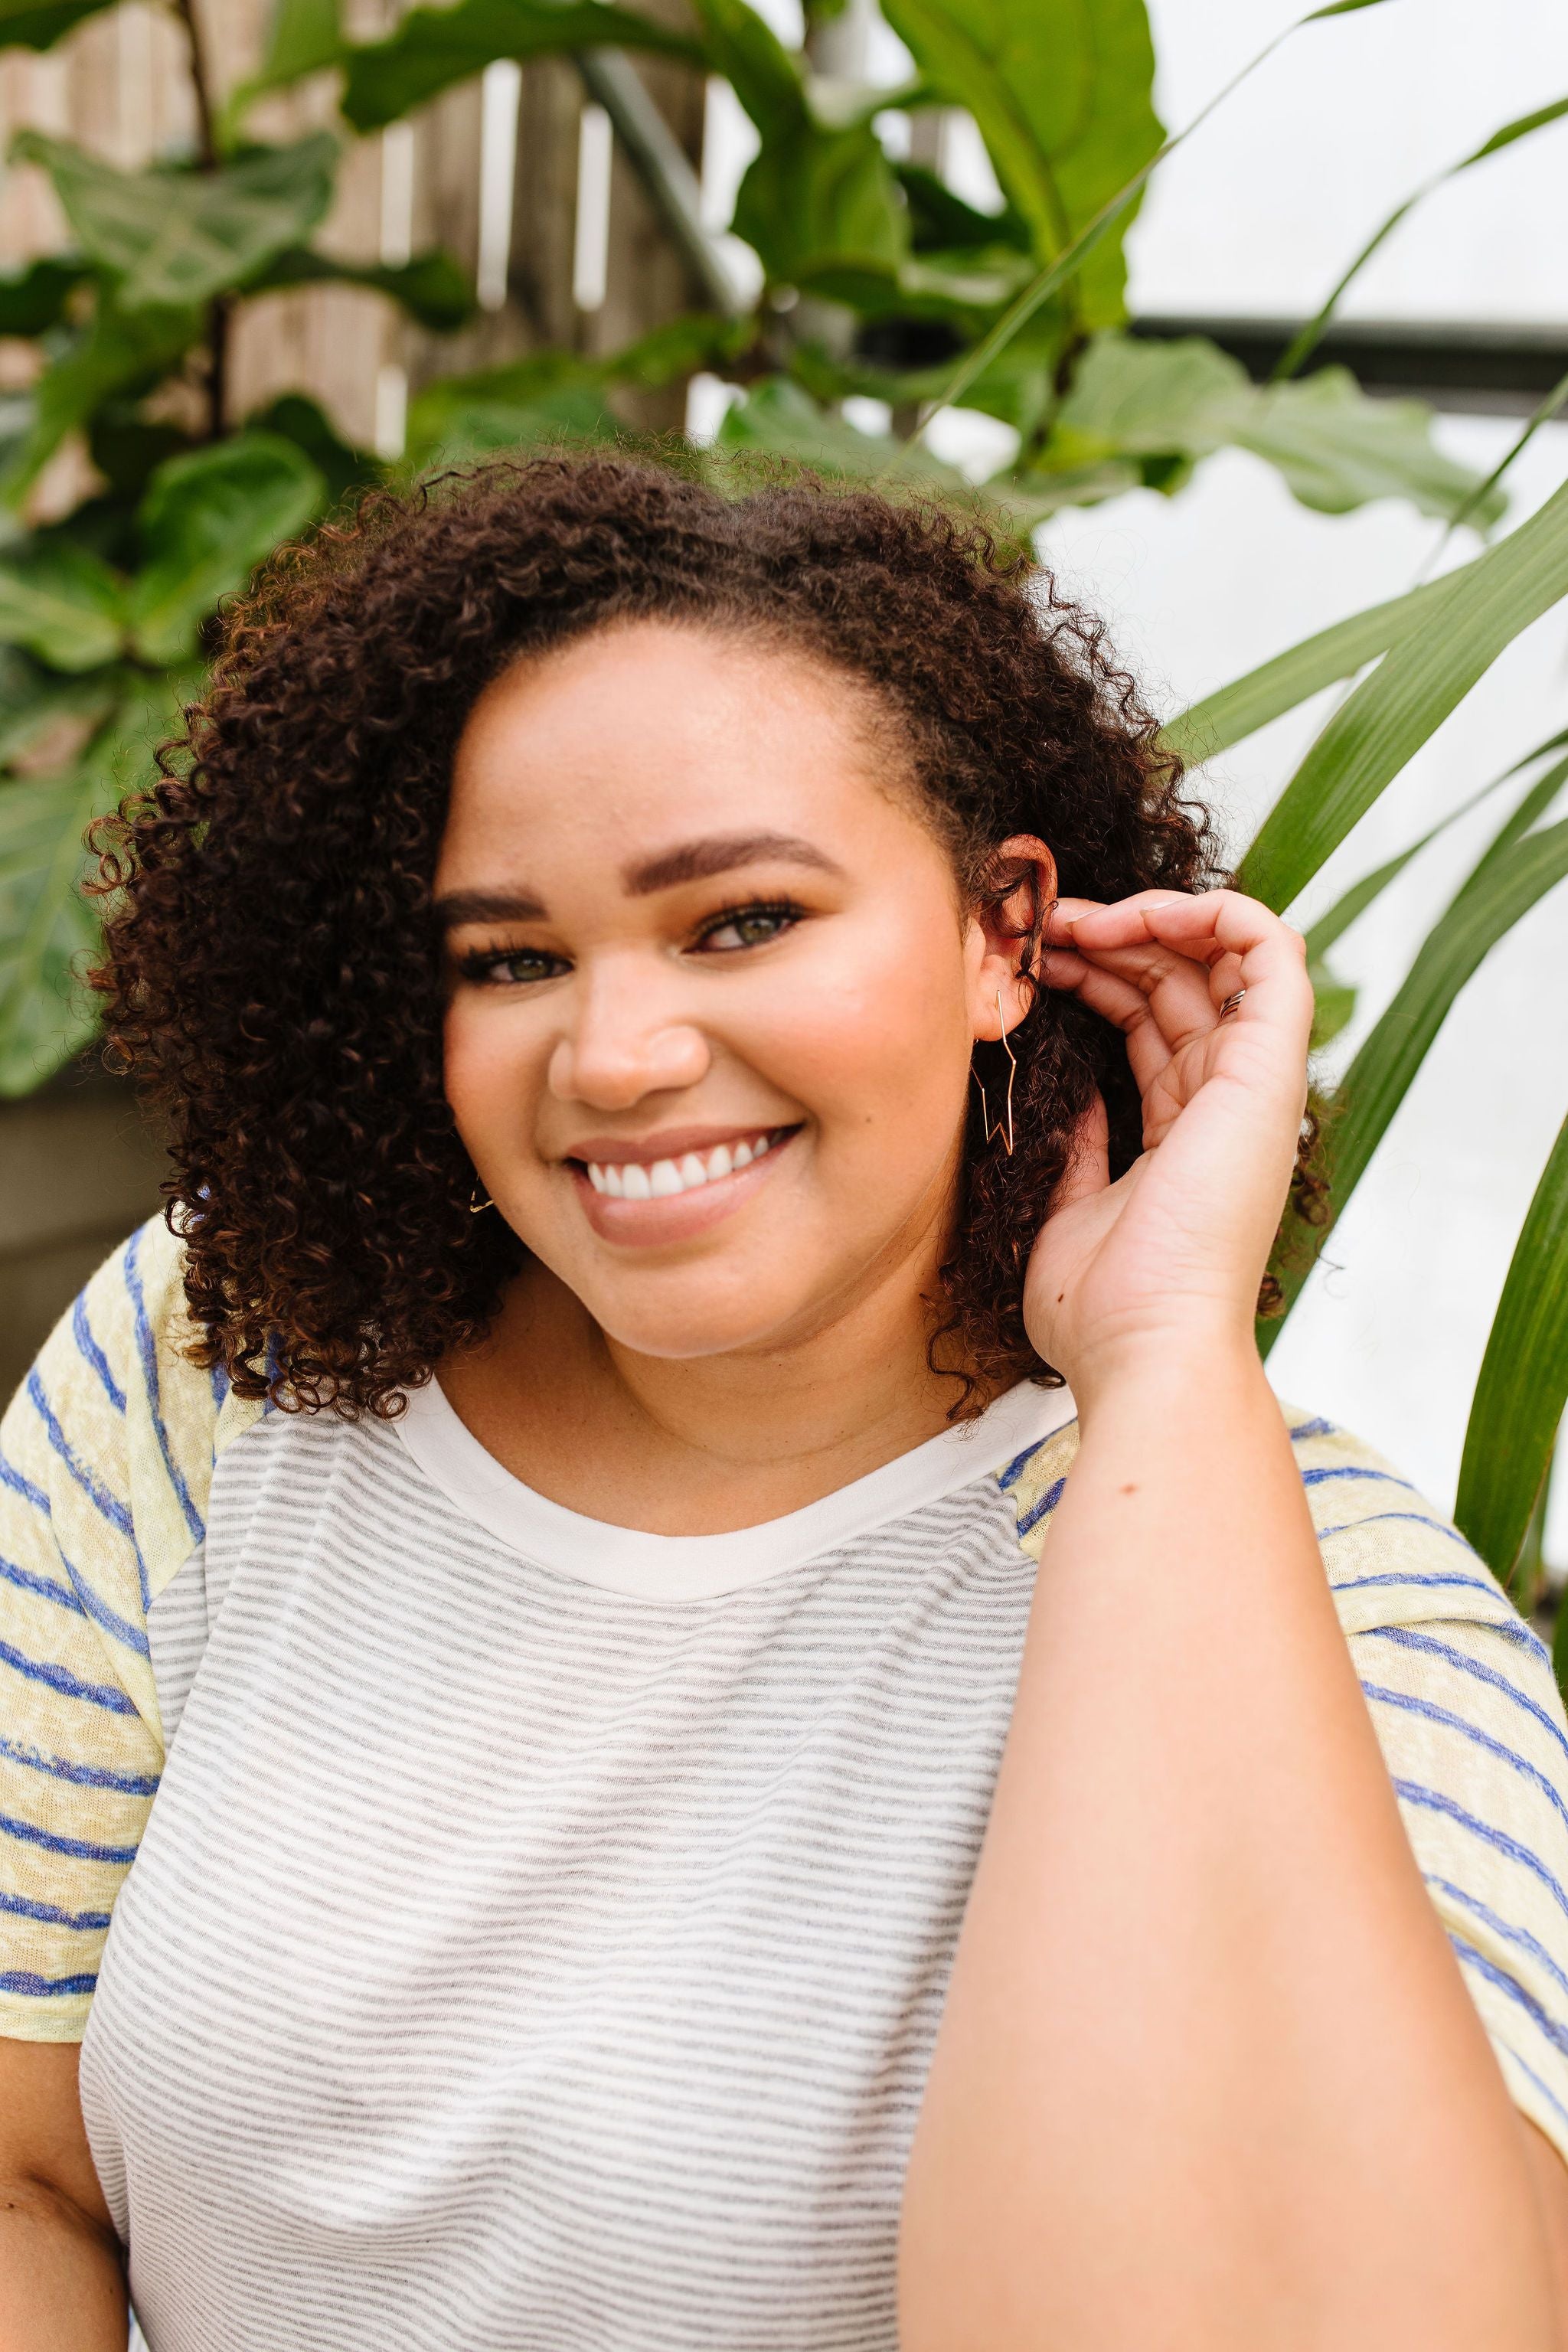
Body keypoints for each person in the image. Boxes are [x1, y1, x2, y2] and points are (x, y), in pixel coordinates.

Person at [1, 454, 1566, 2352]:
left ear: (1006, 932)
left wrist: (1160, 1370)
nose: (616, 1054)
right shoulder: (222, 1359)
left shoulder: (1348, 1617)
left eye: (740, 919)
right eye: (508, 959)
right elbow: (28, 2177)